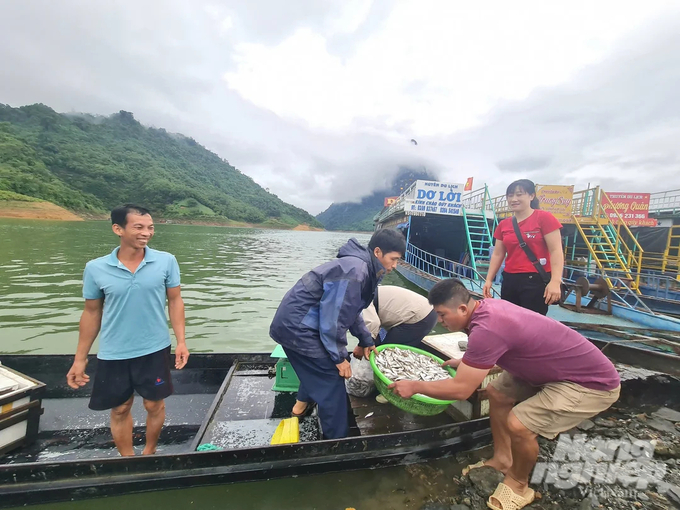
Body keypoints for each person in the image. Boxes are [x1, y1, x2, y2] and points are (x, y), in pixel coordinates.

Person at [389, 279, 620, 510]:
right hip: (552, 370)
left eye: (442, 315)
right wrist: (469, 362)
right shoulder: (485, 308)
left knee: (519, 425)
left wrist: (415, 386)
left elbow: (461, 390)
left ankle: (519, 484)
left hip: (590, 383)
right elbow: (497, 345)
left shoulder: (486, 329)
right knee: (496, 393)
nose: (439, 321)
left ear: (462, 309)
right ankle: (503, 459)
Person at [66, 204, 189, 456]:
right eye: (139, 227)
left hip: (154, 347)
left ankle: (149, 451)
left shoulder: (166, 261)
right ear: (118, 229)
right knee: (120, 408)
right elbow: (91, 313)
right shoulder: (96, 268)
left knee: (154, 404)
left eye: (150, 227)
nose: (147, 232)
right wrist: (80, 359)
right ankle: (128, 458)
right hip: (114, 351)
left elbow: (175, 301)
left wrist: (181, 341)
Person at [269, 229, 406, 439]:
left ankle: (298, 409)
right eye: (393, 259)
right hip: (298, 328)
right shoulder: (356, 271)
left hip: (297, 325)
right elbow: (334, 319)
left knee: (317, 368)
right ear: (378, 252)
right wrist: (340, 358)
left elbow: (352, 312)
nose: (395, 265)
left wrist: (365, 339)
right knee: (332, 379)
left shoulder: (362, 267)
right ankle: (337, 442)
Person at [483, 179, 564, 315]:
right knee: (510, 320)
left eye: (519, 194)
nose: (514, 199)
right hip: (510, 280)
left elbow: (556, 251)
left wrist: (555, 281)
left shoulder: (545, 218)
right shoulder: (504, 225)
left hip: (535, 281)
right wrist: (489, 280)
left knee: (532, 323)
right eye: (510, 195)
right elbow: (498, 254)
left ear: (531, 196)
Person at [354, 285, 437, 351]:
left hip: (418, 317)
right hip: (424, 311)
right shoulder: (365, 291)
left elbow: (372, 324)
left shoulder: (360, 298)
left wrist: (362, 345)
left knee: (386, 352)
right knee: (381, 348)